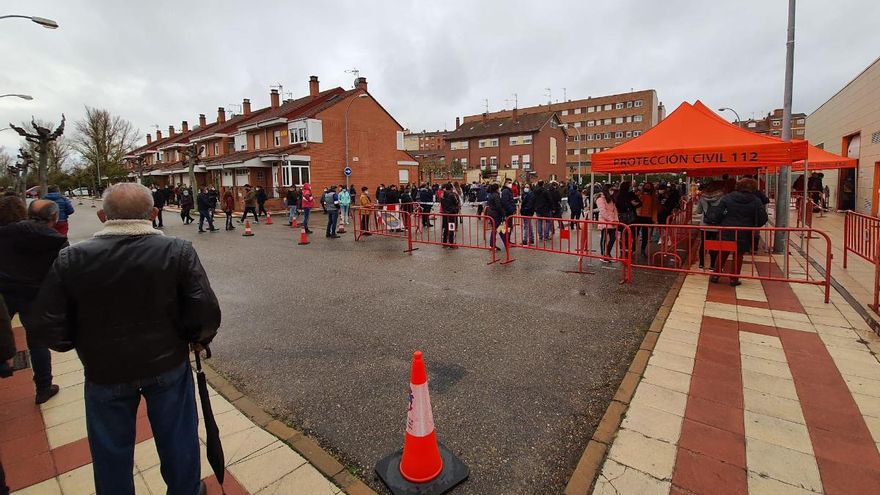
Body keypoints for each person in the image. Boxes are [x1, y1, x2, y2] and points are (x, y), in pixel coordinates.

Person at [28, 182, 220, 495]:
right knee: (179, 439)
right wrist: (198, 338)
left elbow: (47, 324)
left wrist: (79, 342)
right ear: (154, 213)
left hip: (105, 371)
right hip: (167, 364)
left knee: (110, 451)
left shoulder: (72, 258)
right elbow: (204, 310)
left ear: (103, 216)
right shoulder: (176, 251)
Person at [0, 197, 67, 404]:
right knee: (37, 342)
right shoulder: (54, 239)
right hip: (35, 294)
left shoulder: (4, 233)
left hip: (4, 291)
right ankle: (43, 388)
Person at [713, 178, 769, 286]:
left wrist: (722, 221)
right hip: (744, 231)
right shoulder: (756, 200)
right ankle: (734, 279)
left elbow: (718, 213)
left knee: (723, 252)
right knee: (738, 255)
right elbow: (763, 218)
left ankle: (716, 275)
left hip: (727, 229)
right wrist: (754, 224)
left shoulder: (728, 197)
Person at [695, 181, 726, 270]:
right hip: (717, 225)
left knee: (703, 244)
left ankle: (701, 264)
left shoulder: (702, 197)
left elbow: (699, 211)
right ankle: (712, 265)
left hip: (704, 225)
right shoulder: (723, 197)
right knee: (715, 245)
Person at [596, 184, 619, 262]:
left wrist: (616, 219)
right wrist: (611, 219)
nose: (612, 191)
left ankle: (607, 253)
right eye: (611, 189)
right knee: (604, 239)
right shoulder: (600, 199)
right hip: (604, 222)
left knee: (613, 238)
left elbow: (615, 210)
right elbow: (603, 211)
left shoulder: (611, 199)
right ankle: (603, 255)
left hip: (613, 221)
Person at [635, 182, 658, 257]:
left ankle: (642, 250)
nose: (647, 188)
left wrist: (654, 219)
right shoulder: (639, 195)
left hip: (647, 217)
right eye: (646, 186)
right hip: (639, 216)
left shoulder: (653, 197)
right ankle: (634, 248)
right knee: (635, 233)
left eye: (648, 187)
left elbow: (654, 209)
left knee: (645, 235)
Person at [484, 183, 505, 250]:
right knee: (499, 229)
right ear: (497, 188)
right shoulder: (496, 195)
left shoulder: (491, 195)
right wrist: (503, 214)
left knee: (495, 229)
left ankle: (492, 244)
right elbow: (498, 206)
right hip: (496, 215)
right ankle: (504, 243)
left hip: (492, 214)